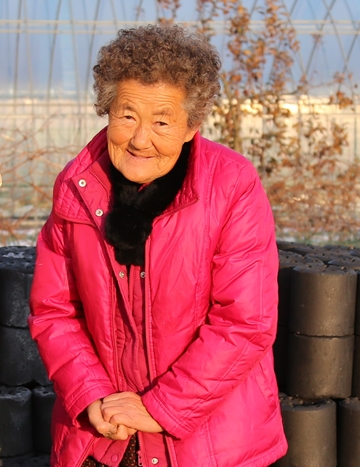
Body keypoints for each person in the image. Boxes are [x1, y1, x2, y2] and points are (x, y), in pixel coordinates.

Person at [28, 24, 287, 467]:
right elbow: (55, 310)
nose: (140, 139)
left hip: (206, 446)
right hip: (102, 438)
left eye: (162, 122)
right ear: (107, 109)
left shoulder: (231, 185)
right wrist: (91, 394)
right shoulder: (76, 185)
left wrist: (160, 407)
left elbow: (245, 322)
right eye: (127, 116)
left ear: (191, 126)